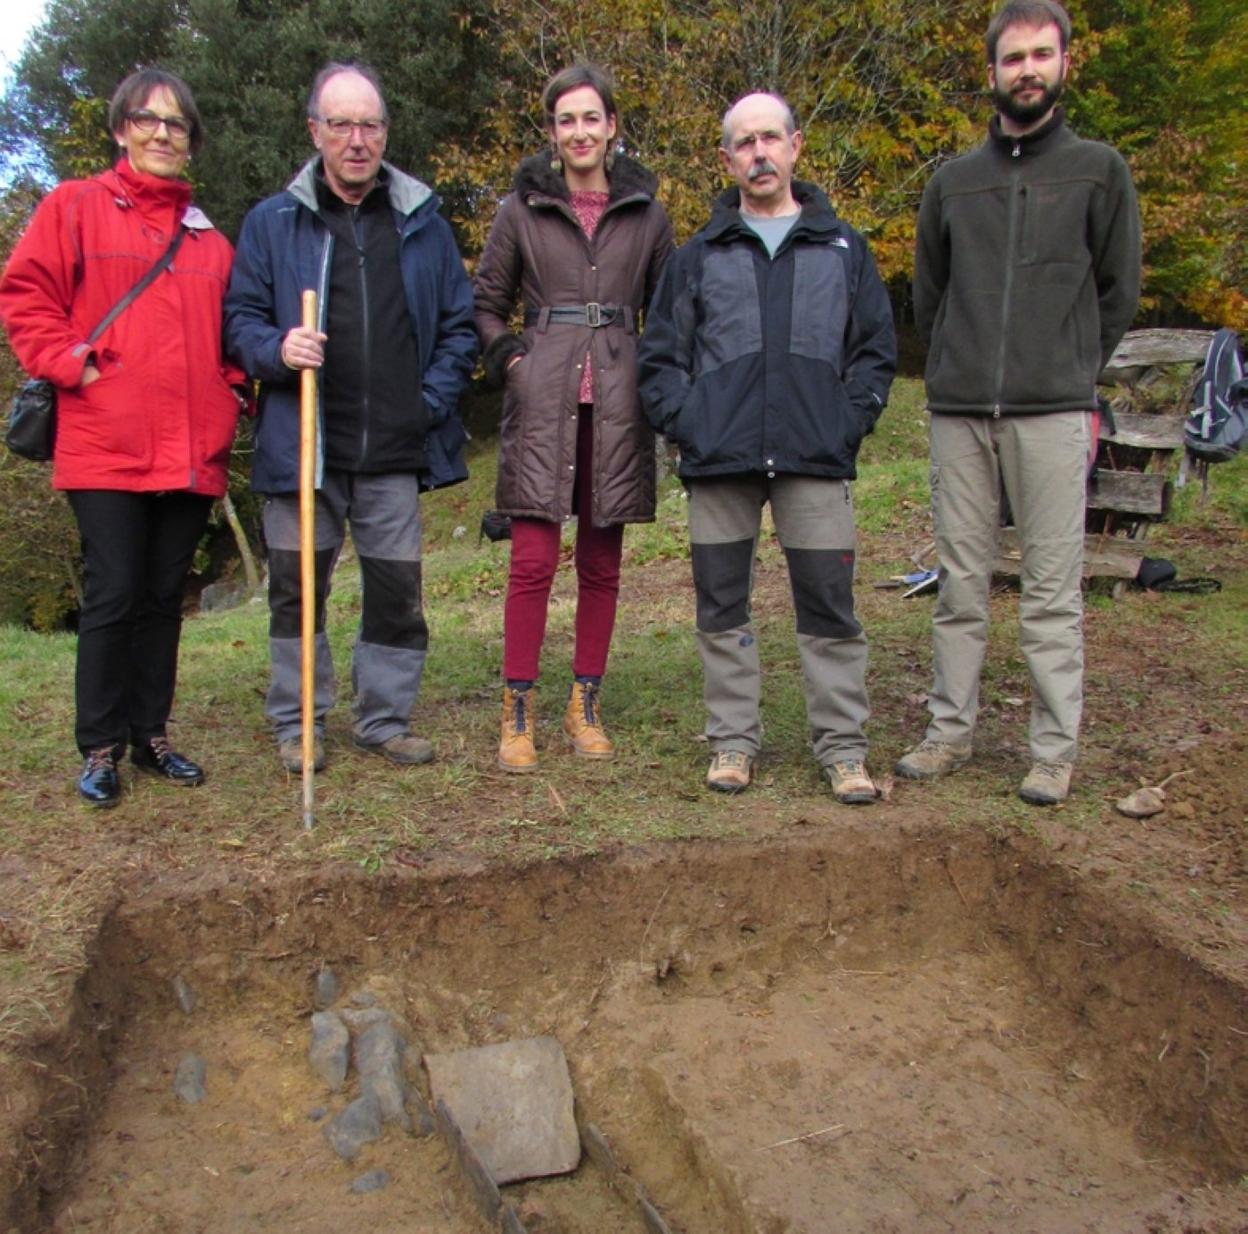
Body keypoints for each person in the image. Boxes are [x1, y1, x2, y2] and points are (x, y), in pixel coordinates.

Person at [898, 0, 1141, 806]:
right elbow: (929, 298)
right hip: (962, 412)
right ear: (992, 71)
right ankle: (948, 733)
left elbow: (1117, 291)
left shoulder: (1098, 171)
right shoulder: (952, 184)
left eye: (1042, 55)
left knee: (1049, 587)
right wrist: (956, 369)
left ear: (1063, 63)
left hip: (1052, 411)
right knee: (961, 585)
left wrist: (1068, 366)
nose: (1027, 70)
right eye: (1013, 58)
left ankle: (1051, 750)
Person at [0, 68, 248, 808]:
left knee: (163, 596)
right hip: (105, 441)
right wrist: (77, 366)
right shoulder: (74, 206)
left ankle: (151, 736)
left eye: (178, 124)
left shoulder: (209, 241)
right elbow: (26, 297)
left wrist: (231, 391)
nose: (164, 133)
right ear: (121, 128)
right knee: (112, 592)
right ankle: (101, 747)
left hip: (190, 447)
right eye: (149, 119)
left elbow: (232, 331)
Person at [638, 92, 895, 802]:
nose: (759, 153)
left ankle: (844, 750)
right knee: (721, 606)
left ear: (795, 146)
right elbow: (660, 359)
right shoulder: (697, 257)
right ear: (726, 159)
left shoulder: (844, 248)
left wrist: (848, 421)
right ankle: (732, 742)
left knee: (829, 605)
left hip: (815, 457)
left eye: (770, 139)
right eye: (744, 143)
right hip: (720, 461)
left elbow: (875, 351)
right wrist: (691, 422)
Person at [224, 62, 477, 773]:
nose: (357, 139)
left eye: (369, 124)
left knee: (396, 593)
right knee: (297, 591)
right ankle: (298, 722)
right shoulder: (273, 224)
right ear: (315, 132)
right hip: (303, 446)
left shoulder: (422, 225)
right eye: (341, 124)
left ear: (385, 133)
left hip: (395, 449)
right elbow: (237, 322)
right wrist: (277, 348)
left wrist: (428, 403)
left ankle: (384, 720)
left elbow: (460, 329)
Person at [472, 64, 673, 773]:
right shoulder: (519, 210)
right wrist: (515, 364)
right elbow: (486, 302)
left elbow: (671, 310)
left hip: (617, 406)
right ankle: (516, 708)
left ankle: (585, 702)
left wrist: (650, 372)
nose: (581, 132)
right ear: (552, 132)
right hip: (543, 402)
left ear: (612, 126)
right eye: (567, 120)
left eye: (593, 118)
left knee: (601, 562)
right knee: (531, 561)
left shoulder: (647, 214)